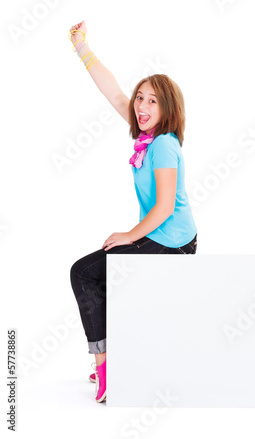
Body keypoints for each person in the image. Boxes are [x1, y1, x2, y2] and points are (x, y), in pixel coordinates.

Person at [68, 21, 197, 403]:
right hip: (157, 235)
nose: (141, 106)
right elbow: (112, 91)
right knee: (96, 277)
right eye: (140, 98)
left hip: (171, 240)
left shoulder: (163, 146)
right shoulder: (147, 135)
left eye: (152, 100)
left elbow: (166, 205)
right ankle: (112, 360)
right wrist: (81, 46)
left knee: (83, 273)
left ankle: (106, 366)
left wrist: (129, 235)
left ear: (167, 107)